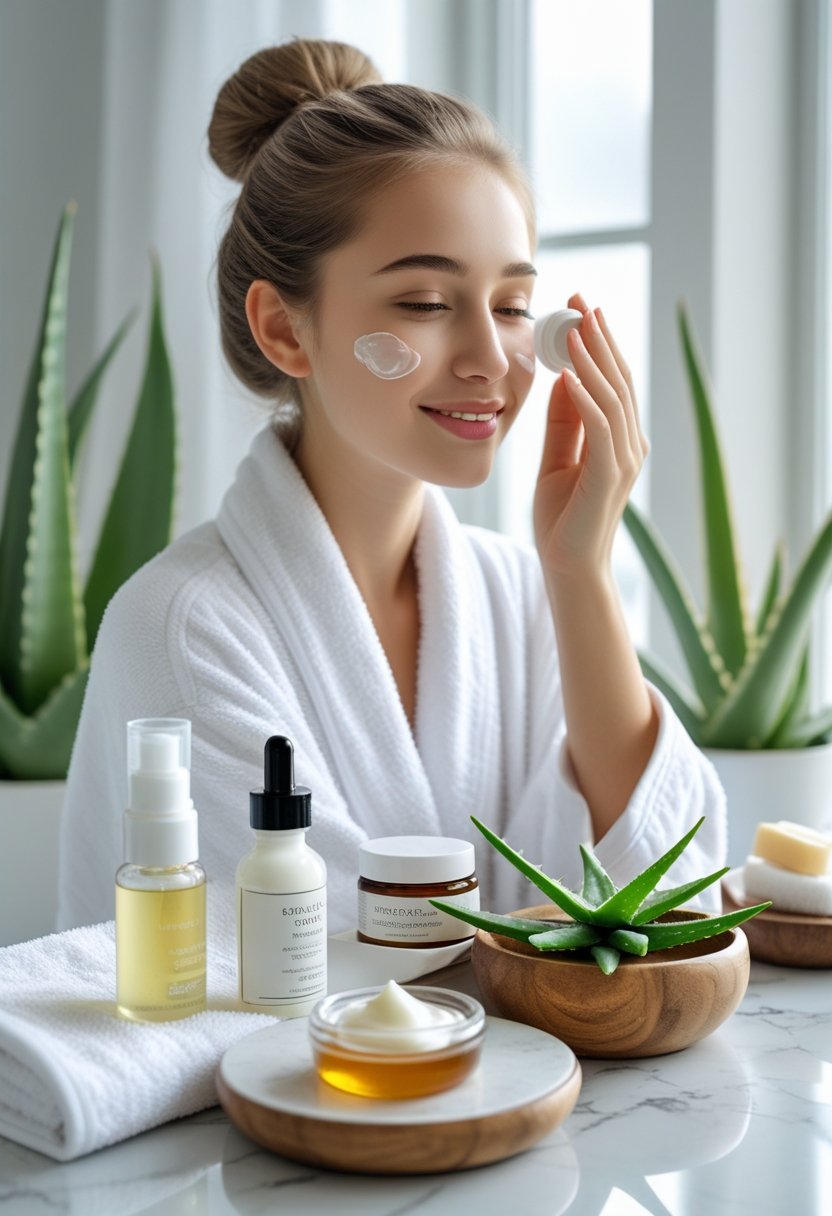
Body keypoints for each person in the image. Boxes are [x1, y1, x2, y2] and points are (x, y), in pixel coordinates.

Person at [57, 39, 725, 950]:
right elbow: (303, 974)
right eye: (424, 302)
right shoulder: (179, 627)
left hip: (543, 1094)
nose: (491, 360)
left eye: (512, 306)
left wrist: (581, 576)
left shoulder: (523, 596)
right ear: (285, 329)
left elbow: (677, 919)